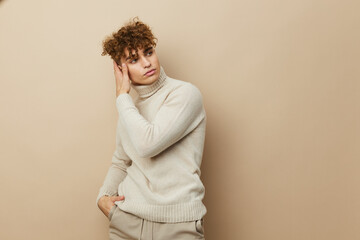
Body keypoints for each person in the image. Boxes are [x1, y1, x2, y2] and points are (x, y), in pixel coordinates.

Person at [96, 17, 207, 240]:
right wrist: (104, 198)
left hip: (178, 225)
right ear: (121, 69)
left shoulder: (184, 94)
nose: (147, 63)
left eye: (148, 52)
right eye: (133, 59)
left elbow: (149, 144)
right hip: (127, 221)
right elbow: (121, 161)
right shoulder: (130, 110)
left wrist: (121, 97)